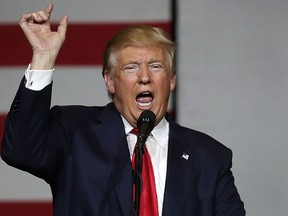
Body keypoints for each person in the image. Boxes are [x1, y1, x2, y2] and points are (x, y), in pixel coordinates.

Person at [1, 3, 245, 216]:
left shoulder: (210, 158)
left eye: (156, 66)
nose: (145, 77)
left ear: (171, 80)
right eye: (131, 68)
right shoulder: (74, 133)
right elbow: (19, 151)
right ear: (110, 81)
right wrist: (43, 57)